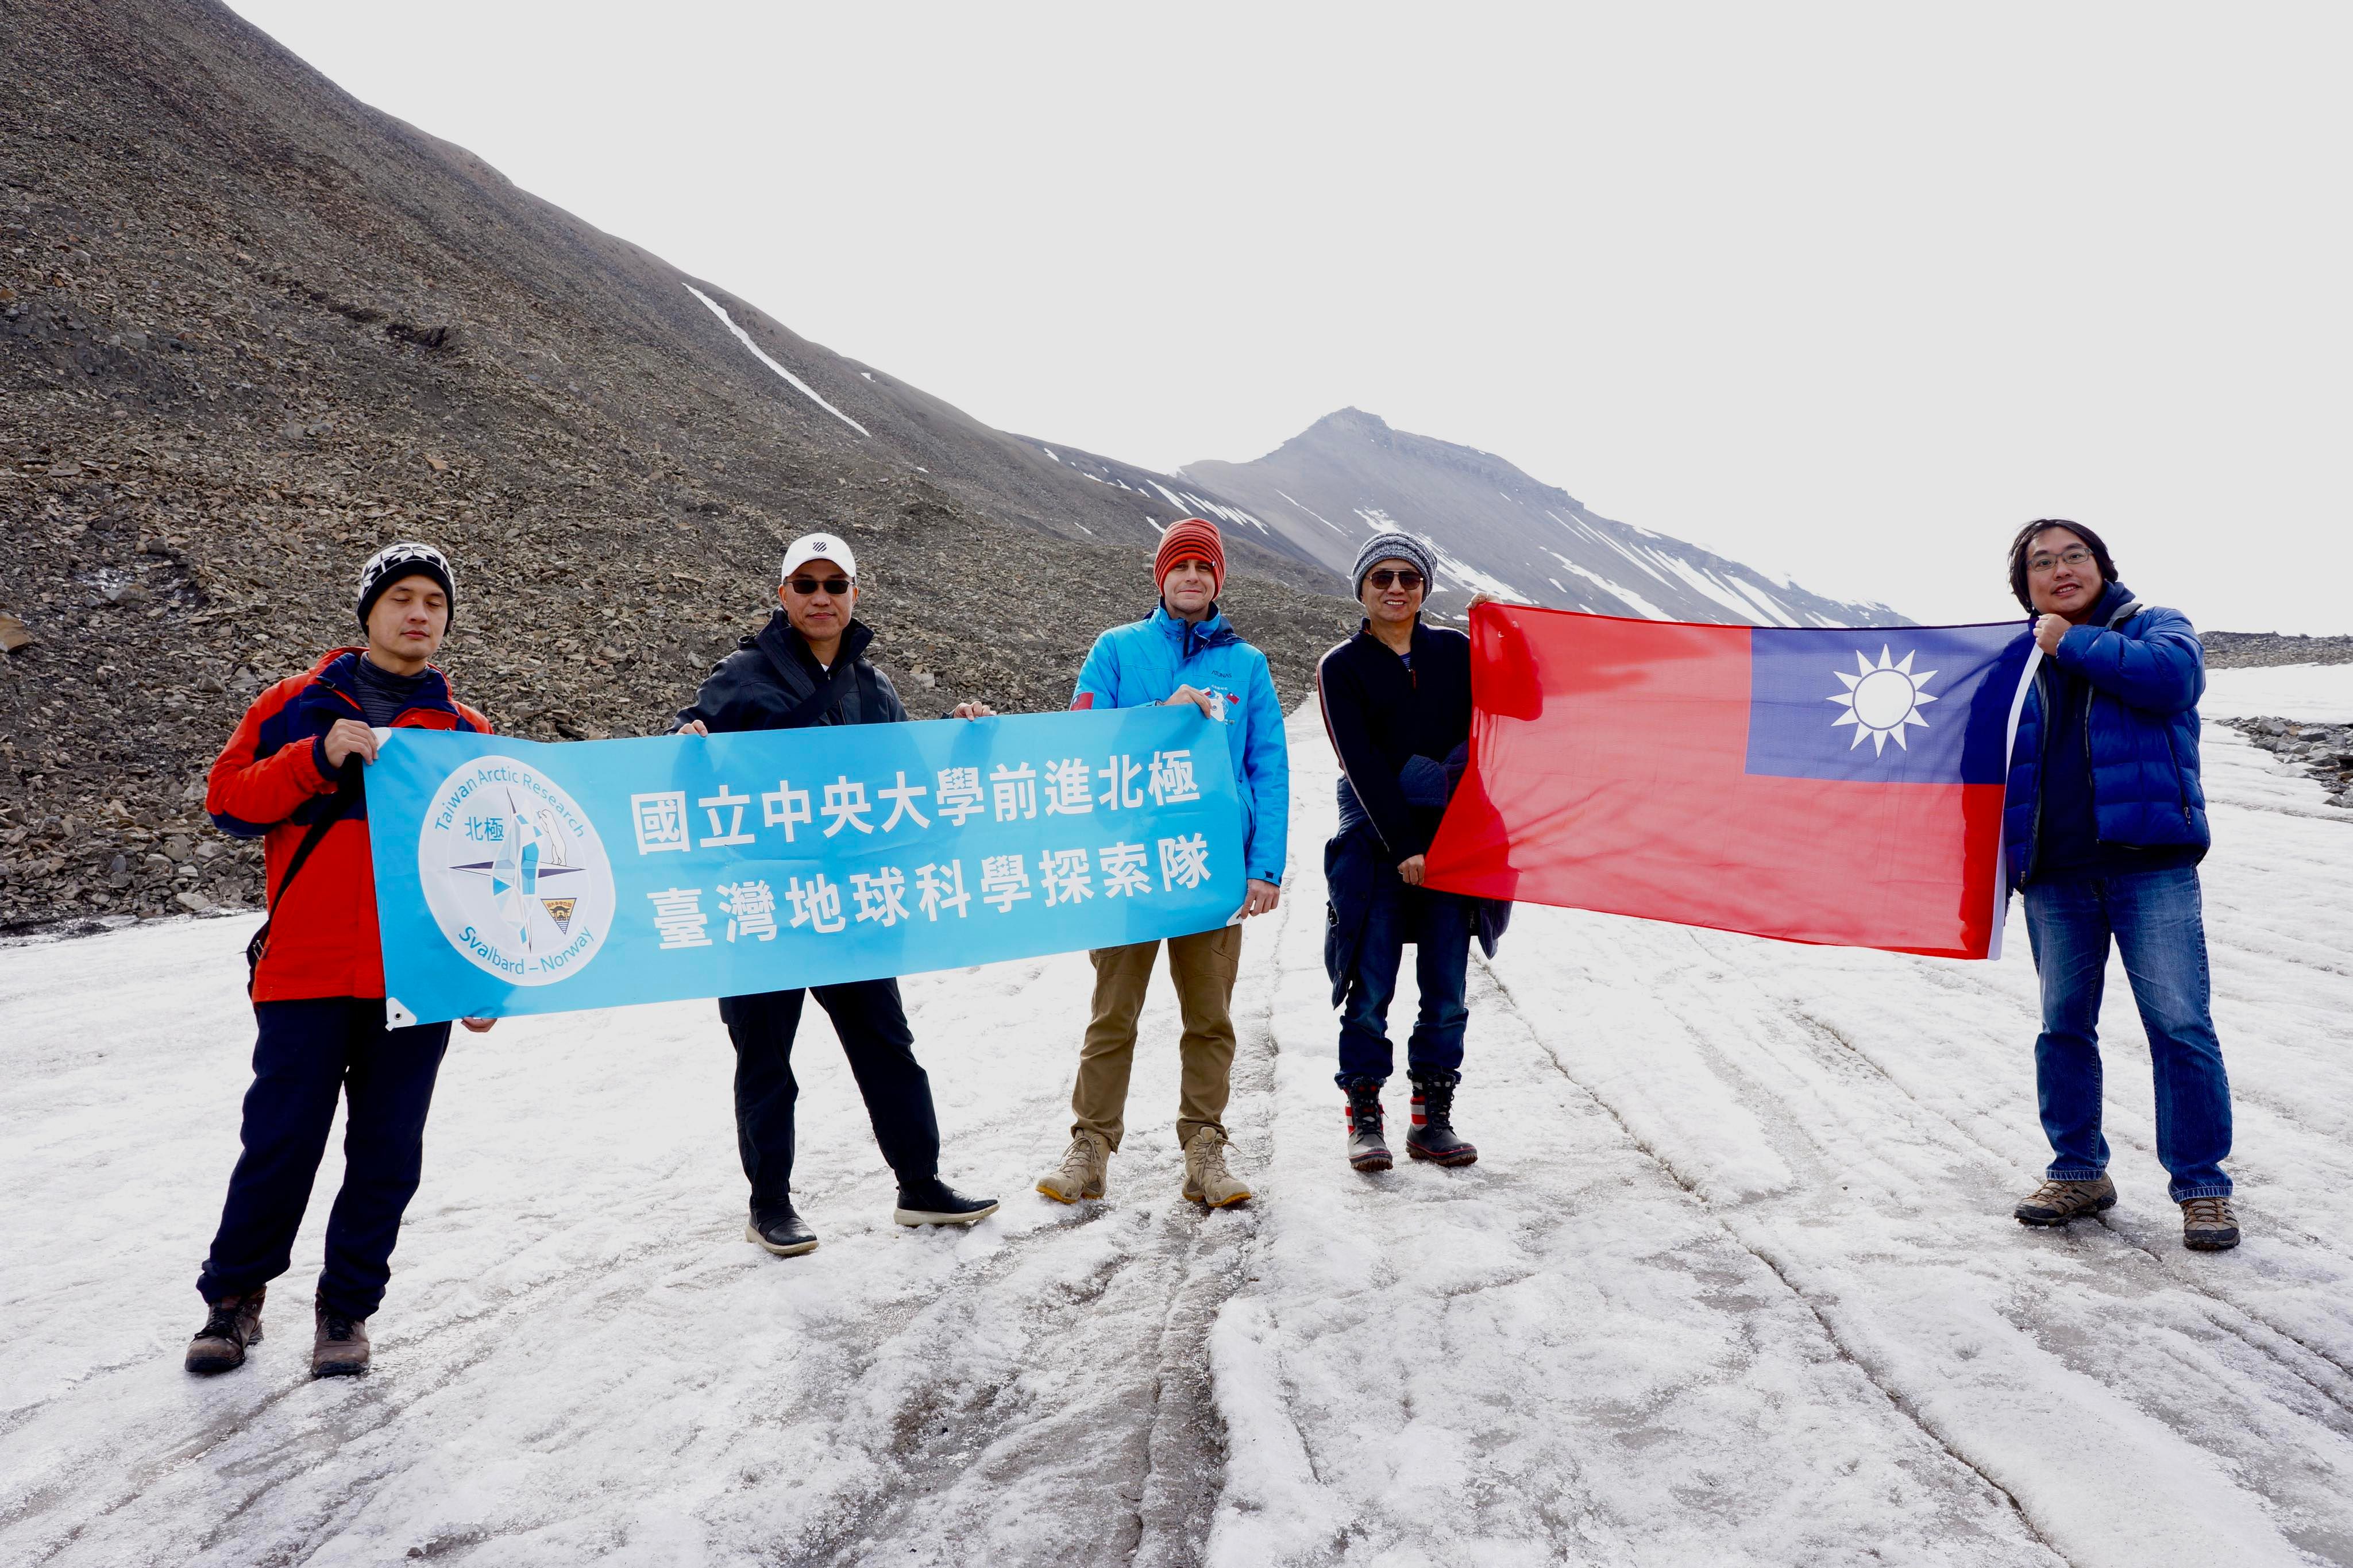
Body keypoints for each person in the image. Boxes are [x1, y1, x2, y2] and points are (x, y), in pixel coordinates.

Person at [188, 543, 496, 1380]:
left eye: (435, 599)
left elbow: (489, 865)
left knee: (388, 1148)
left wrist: (483, 973)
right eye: (402, 596)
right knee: (281, 1139)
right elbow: (228, 802)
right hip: (306, 968)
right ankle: (234, 1300)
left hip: (417, 976)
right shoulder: (293, 704)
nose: (419, 613)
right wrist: (313, 759)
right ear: (369, 611)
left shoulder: (465, 733)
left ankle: (346, 1308)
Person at [674, 531, 998, 1257]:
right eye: (807, 585)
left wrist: (965, 740)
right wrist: (684, 736)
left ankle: (920, 1184)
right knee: (765, 1059)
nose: (822, 598)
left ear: (854, 595)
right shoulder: (740, 677)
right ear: (782, 595)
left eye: (835, 585)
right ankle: (771, 1205)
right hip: (767, 901)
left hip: (852, 901)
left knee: (886, 1044)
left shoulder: (875, 687)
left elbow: (910, 787)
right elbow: (683, 765)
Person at [1034, 517, 1289, 1209]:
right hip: (1127, 864)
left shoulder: (1247, 665)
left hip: (1209, 867)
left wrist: (1264, 867)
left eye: (1204, 568)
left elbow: (1267, 767)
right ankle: (1090, 1147)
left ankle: (1204, 1149)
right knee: (1113, 1013)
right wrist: (1159, 713)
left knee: (1210, 1015)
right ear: (1161, 576)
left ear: (1218, 580)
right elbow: (1082, 742)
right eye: (1180, 566)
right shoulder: (1116, 650)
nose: (1192, 577)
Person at [2000, 519, 2238, 1251]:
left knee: (2179, 1027)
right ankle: (2078, 1172)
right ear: (2025, 584)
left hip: (2149, 866)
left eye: (2075, 555)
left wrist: (2068, 641)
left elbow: (2172, 682)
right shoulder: (2014, 660)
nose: (2061, 569)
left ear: (2102, 565)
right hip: (2056, 874)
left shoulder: (2156, 627)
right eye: (2043, 562)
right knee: (2063, 1029)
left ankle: (2202, 1189)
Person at [1316, 531, 1508, 1174]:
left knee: (1447, 986)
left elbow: (1524, 704)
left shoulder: (1457, 652)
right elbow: (1361, 763)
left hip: (1456, 841)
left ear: (1425, 588)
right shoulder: (1341, 666)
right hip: (1375, 841)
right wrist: (1403, 845)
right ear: (1362, 589)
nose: (1396, 588)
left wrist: (1500, 635)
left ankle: (1432, 1119)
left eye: (1409, 578)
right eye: (1381, 578)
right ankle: (1365, 1119)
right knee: (1369, 985)